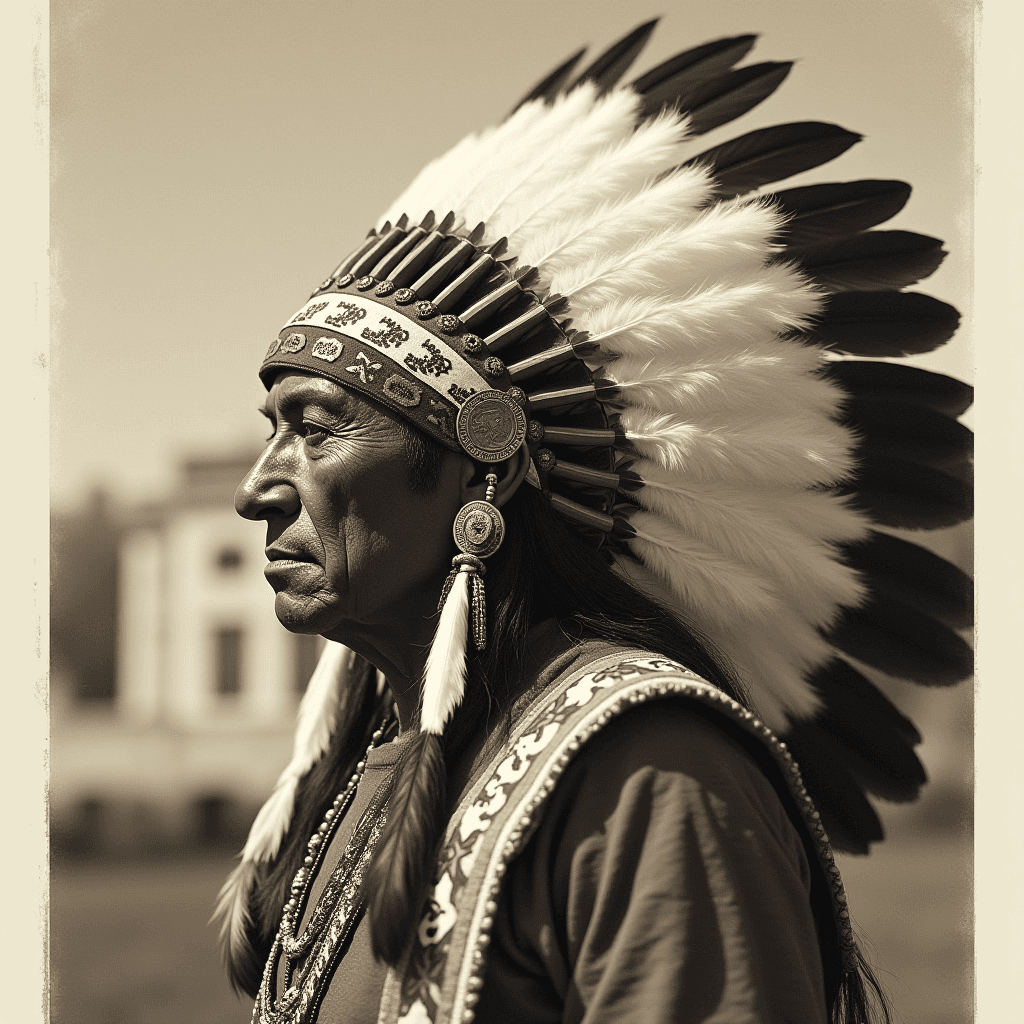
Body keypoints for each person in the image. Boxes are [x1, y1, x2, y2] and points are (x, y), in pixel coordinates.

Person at [214, 22, 973, 1024]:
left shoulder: (648, 778)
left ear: (475, 470)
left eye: (316, 429)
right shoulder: (367, 771)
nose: (257, 487)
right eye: (271, 430)